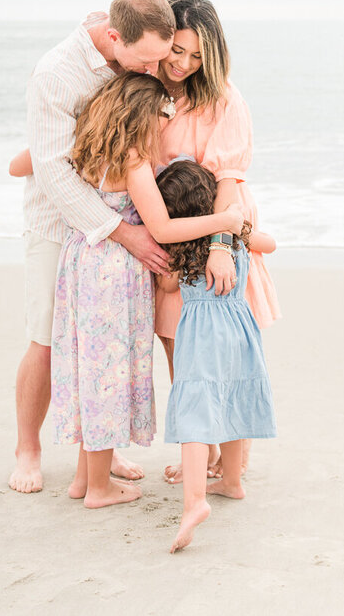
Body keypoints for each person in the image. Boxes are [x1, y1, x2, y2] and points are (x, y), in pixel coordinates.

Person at [49, 74, 245, 508]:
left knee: (89, 365)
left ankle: (84, 479)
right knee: (106, 375)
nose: (165, 123)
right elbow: (162, 227)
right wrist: (224, 223)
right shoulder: (133, 161)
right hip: (114, 275)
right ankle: (99, 489)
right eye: (163, 114)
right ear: (143, 113)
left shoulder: (90, 149)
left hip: (83, 261)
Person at [9, 0, 177, 495]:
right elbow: (53, 174)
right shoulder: (56, 74)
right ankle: (28, 447)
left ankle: (97, 456)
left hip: (107, 230)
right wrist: (125, 234)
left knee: (102, 345)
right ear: (112, 38)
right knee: (46, 340)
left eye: (158, 60)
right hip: (59, 225)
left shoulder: (130, 51)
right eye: (146, 60)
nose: (153, 71)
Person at [153, 0, 281, 484]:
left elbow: (228, 180)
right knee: (178, 347)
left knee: (225, 350)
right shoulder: (147, 91)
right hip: (173, 235)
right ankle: (203, 452)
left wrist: (222, 249)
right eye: (176, 51)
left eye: (196, 56)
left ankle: (229, 460)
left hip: (219, 227)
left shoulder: (225, 99)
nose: (183, 64)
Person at [154, 160, 276, 550]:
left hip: (202, 338)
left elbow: (169, 284)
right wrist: (239, 225)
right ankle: (232, 481)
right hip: (241, 330)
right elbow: (269, 244)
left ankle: (194, 502)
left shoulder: (183, 244)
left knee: (196, 413)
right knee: (235, 399)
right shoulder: (232, 237)